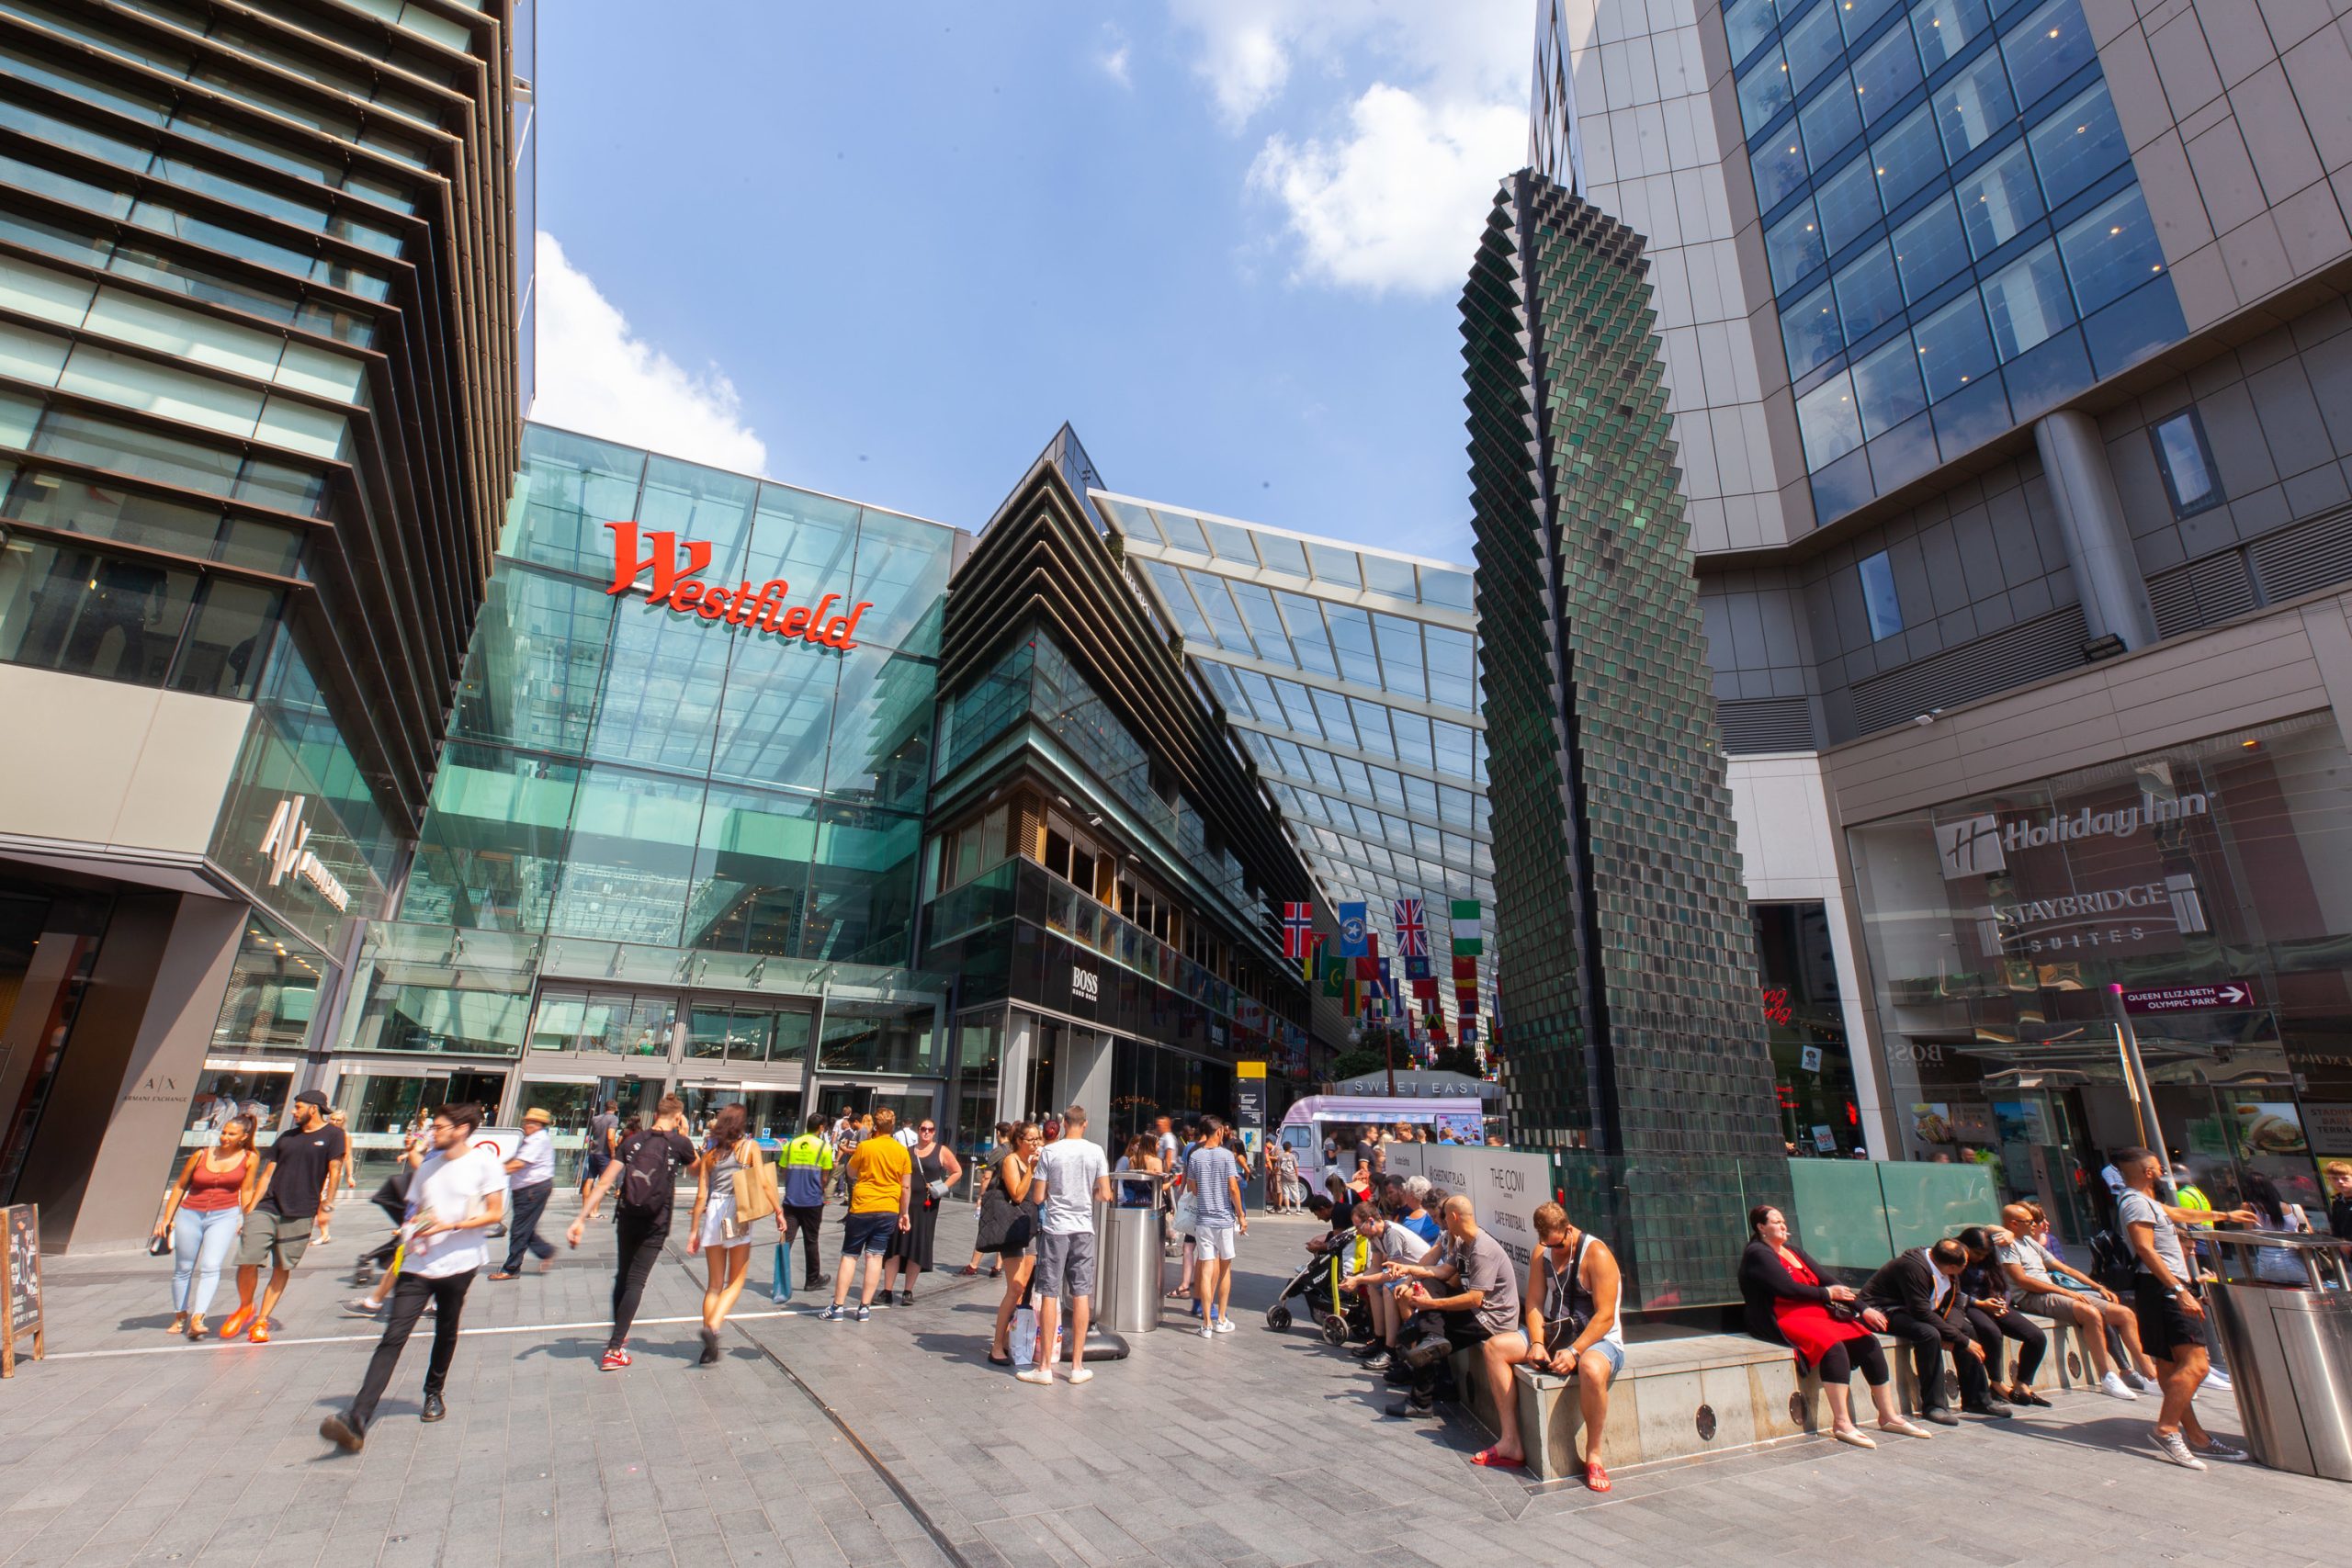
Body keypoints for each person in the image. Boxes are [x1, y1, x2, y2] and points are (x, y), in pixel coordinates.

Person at [319, 1103, 504, 1451]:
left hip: (460, 1262)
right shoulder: (428, 1166)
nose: (433, 1133)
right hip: (418, 1263)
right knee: (393, 1335)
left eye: (439, 1127)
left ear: (462, 1129)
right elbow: (415, 1209)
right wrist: (412, 1227)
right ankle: (358, 1416)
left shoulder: (484, 1163)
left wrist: (451, 1225)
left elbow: (495, 1213)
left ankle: (434, 1392)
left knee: (446, 1329)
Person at [1740, 1205, 1928, 1448]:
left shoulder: (1793, 1251)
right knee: (1832, 1346)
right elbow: (1785, 1289)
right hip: (1784, 1315)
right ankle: (1842, 1423)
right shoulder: (1758, 1253)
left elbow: (1829, 1280)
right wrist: (1827, 1294)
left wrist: (1863, 1308)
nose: (1783, 1225)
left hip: (1817, 1312)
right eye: (1776, 1222)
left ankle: (1888, 1416)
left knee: (1868, 1341)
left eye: (1783, 1221)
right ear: (1761, 1227)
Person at [2116, 1145, 2256, 1468]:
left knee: (2171, 1366)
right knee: (2197, 1365)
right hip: (2163, 1289)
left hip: (2159, 1289)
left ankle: (2196, 1437)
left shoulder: (2145, 1202)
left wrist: (2225, 1216)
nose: (2162, 1170)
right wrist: (2179, 1289)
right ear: (2148, 1171)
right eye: (2157, 1166)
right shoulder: (2135, 1203)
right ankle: (2166, 1430)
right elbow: (2145, 1249)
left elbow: (2177, 1214)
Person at [1382, 1195, 1528, 1468]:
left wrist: (1431, 1305)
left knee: (1428, 1328)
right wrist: (1409, 1270)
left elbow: (1475, 1299)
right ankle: (1430, 1345)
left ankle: (1421, 1398)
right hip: (1476, 1313)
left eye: (1444, 1218)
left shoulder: (1482, 1249)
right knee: (1431, 1297)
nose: (1442, 1224)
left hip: (1492, 1320)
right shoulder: (1462, 1241)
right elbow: (1443, 1271)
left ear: (1454, 1217)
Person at [568, 1094, 695, 1371]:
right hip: (656, 1220)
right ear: (677, 1117)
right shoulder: (679, 1143)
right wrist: (685, 1134)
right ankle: (615, 1349)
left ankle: (618, 1335)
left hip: (627, 1216)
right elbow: (699, 1170)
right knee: (636, 1281)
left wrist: (580, 1219)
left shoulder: (633, 1141)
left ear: (655, 1114)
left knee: (623, 1275)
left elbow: (605, 1181)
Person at [220, 1089, 345, 1342]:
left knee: (282, 1266)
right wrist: (251, 1209)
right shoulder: (287, 1137)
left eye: (298, 1107)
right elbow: (267, 1175)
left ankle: (262, 1320)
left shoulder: (334, 1135)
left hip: (301, 1210)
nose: (293, 1111)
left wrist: (328, 1205)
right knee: (248, 1258)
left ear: (313, 1109)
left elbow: (335, 1171)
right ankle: (245, 1306)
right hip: (267, 1206)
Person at [1992, 1202, 2151, 1399]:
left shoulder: (2030, 1242)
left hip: (2054, 1291)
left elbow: (2064, 1268)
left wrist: (2097, 1287)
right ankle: (2107, 1376)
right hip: (2032, 1296)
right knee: (2090, 1313)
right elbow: (2022, 1281)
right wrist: (2065, 1292)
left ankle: (2150, 1374)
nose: (2034, 1225)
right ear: (2014, 1224)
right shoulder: (2006, 1245)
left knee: (2124, 1314)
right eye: (2029, 1222)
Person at [1520, 1203, 1627, 1489]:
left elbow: (1605, 1316)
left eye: (1559, 1244)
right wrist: (1537, 1342)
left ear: (1569, 1230)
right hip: (1557, 1335)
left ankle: (1594, 1455)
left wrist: (1575, 1351)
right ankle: (1510, 1442)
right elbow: (1534, 1303)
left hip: (1600, 1340)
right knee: (1496, 1349)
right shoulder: (1542, 1252)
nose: (1555, 1249)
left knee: (1591, 1368)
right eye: (1548, 1244)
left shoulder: (1596, 1253)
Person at [1860, 1238, 2000, 1425]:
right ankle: (1934, 1405)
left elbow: (1957, 1301)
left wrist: (1953, 1333)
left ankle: (1978, 1400)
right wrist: (1960, 1340)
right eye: (1963, 1265)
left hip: (1917, 1310)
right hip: (1885, 1310)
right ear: (1951, 1266)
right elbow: (1920, 1311)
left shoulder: (1946, 1264)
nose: (1965, 1267)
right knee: (1928, 1334)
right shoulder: (1913, 1267)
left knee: (1966, 1330)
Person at [1020, 1104, 1113, 1385]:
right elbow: (1106, 1194)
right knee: (1082, 1293)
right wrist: (1091, 1193)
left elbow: (1038, 1197)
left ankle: (1045, 1367)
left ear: (1063, 1125)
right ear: (1084, 1124)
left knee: (1050, 1293)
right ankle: (1077, 1367)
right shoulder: (1096, 1151)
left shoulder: (1050, 1152)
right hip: (1083, 1228)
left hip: (1055, 1229)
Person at [686, 1103, 783, 1362]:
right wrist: (778, 1210)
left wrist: (694, 1231)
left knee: (714, 1284)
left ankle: (709, 1346)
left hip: (713, 1212)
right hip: (736, 1213)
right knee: (737, 1280)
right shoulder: (749, 1147)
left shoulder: (710, 1155)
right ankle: (713, 1326)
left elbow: (701, 1196)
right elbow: (763, 1182)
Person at [155, 1112, 258, 1339]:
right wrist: (167, 1219)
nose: (225, 1137)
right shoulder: (201, 1155)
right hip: (190, 1214)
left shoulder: (249, 1158)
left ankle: (198, 1318)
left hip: (224, 1216)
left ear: (244, 1136)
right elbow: (180, 1186)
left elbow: (247, 1190)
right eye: (224, 1132)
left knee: (211, 1266)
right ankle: (180, 1316)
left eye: (232, 1134)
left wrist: (247, 1219)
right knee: (183, 1268)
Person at [823, 1106, 912, 1322]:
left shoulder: (866, 1147)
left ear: (875, 1126)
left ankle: (838, 1306)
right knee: (875, 1256)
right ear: (893, 1126)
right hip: (888, 1208)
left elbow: (851, 1171)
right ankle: (864, 1307)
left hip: (863, 1206)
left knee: (850, 1255)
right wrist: (905, 1213)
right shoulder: (902, 1151)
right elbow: (906, 1186)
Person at [1955, 1226, 2049, 1408]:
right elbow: (1953, 1291)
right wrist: (1980, 1303)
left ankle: (2022, 1384)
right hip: (1969, 1304)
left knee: (2036, 1336)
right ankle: (1997, 1383)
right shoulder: (1957, 1257)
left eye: (1984, 1254)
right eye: (1977, 1253)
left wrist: (2002, 1301)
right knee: (1991, 1332)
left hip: (1992, 1302)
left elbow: (2003, 1285)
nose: (1980, 1257)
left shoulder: (1990, 1259)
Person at [882, 1115, 961, 1305]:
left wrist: (942, 1187)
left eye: (930, 1129)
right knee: (895, 1247)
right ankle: (887, 1290)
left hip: (927, 1206)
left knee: (918, 1246)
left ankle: (908, 1291)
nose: (926, 1132)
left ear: (934, 1132)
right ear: (918, 1130)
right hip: (905, 1204)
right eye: (923, 1129)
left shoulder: (941, 1150)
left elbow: (957, 1171)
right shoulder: (907, 1151)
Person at [986, 1122, 1043, 1364]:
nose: (1036, 1143)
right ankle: (997, 1345)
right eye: (1031, 1139)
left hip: (1030, 1227)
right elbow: (1017, 1195)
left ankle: (1010, 1339)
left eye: (1038, 1139)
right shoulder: (1011, 1161)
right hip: (1011, 1230)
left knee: (1024, 1289)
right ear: (1019, 1140)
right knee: (1015, 1288)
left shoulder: (1035, 1162)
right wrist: (1031, 1169)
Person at [1186, 1116, 1247, 1337]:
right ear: (1219, 1131)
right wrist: (1241, 1215)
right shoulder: (1227, 1156)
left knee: (1205, 1269)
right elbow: (1233, 1188)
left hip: (1204, 1220)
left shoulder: (1195, 1156)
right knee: (1225, 1268)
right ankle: (1221, 1319)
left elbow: (1192, 1188)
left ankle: (1206, 1324)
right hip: (1223, 1220)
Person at [492, 1106, 559, 1280]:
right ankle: (546, 1251)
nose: (526, 1125)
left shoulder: (537, 1140)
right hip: (528, 1189)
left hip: (532, 1189)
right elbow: (515, 1160)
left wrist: (493, 1172)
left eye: (529, 1122)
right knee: (523, 1227)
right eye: (526, 1122)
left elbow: (518, 1164)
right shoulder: (532, 1139)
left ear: (538, 1124)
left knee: (519, 1229)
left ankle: (511, 1268)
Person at [778, 1112, 835, 1290]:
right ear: (821, 1128)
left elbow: (783, 1170)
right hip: (812, 1201)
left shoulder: (791, 1144)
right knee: (811, 1240)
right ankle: (812, 1279)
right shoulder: (824, 1147)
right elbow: (824, 1177)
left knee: (786, 1240)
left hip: (791, 1200)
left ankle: (780, 1280)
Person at [959, 1122, 1013, 1279]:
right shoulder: (1013, 1150)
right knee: (1002, 1230)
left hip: (995, 1194)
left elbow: (987, 1177)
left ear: (998, 1133)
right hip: (1008, 1194)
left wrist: (981, 1196)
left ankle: (973, 1265)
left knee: (985, 1229)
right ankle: (998, 1267)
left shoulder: (998, 1151)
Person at [319, 1110, 358, 1243]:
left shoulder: (345, 1136)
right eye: (333, 1119)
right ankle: (322, 1232)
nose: (335, 1122)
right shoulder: (322, 1132)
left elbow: (348, 1156)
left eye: (338, 1120)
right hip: (318, 1170)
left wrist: (350, 1175)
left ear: (343, 1122)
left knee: (324, 1201)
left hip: (332, 1173)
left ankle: (324, 1233)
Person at [581, 1100, 619, 1199]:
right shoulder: (614, 1119)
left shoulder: (595, 1119)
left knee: (590, 1179)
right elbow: (610, 1137)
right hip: (604, 1154)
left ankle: (586, 1205)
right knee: (602, 1184)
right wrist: (613, 1153)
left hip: (594, 1152)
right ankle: (594, 1208)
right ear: (616, 1108)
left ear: (605, 1108)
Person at [2325, 1160, 2352, 1240]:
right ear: (2329, 1180)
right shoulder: (2338, 1202)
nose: (2340, 1182)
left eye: (2345, 1178)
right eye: (2335, 1178)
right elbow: (2336, 1231)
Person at [1273, 1139, 1300, 1214]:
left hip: (1284, 1177)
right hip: (1292, 1177)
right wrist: (1297, 1177)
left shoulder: (1280, 1156)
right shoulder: (1292, 1156)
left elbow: (1278, 1167)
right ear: (1290, 1148)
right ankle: (1298, 1210)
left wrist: (1275, 1172)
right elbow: (1296, 1167)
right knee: (1296, 1193)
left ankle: (1288, 1210)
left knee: (1286, 1194)